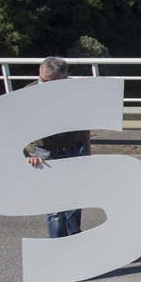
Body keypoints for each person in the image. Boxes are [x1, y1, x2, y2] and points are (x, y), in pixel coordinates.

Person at [23, 56, 91, 238]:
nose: (46, 86)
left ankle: (75, 239)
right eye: (43, 80)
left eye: (51, 83)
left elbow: (85, 121)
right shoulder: (28, 94)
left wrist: (87, 149)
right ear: (39, 72)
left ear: (65, 78)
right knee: (55, 208)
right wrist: (26, 154)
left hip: (75, 149)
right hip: (47, 153)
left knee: (75, 201)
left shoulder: (76, 92)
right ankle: (57, 245)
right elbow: (15, 128)